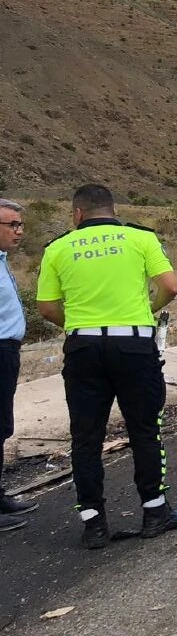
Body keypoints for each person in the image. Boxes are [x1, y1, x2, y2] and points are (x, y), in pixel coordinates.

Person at [35, 184, 177, 548]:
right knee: (145, 429)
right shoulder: (140, 239)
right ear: (113, 210)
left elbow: (47, 307)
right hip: (133, 344)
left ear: (77, 214)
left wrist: (77, 326)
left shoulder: (58, 248)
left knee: (86, 436)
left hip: (83, 346)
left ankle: (94, 524)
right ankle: (155, 512)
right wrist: (147, 311)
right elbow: (170, 287)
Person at [1, 199, 37, 532]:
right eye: (12, 225)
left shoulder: (2, 261)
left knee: (2, 426)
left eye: (20, 224)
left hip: (8, 351)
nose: (19, 231)